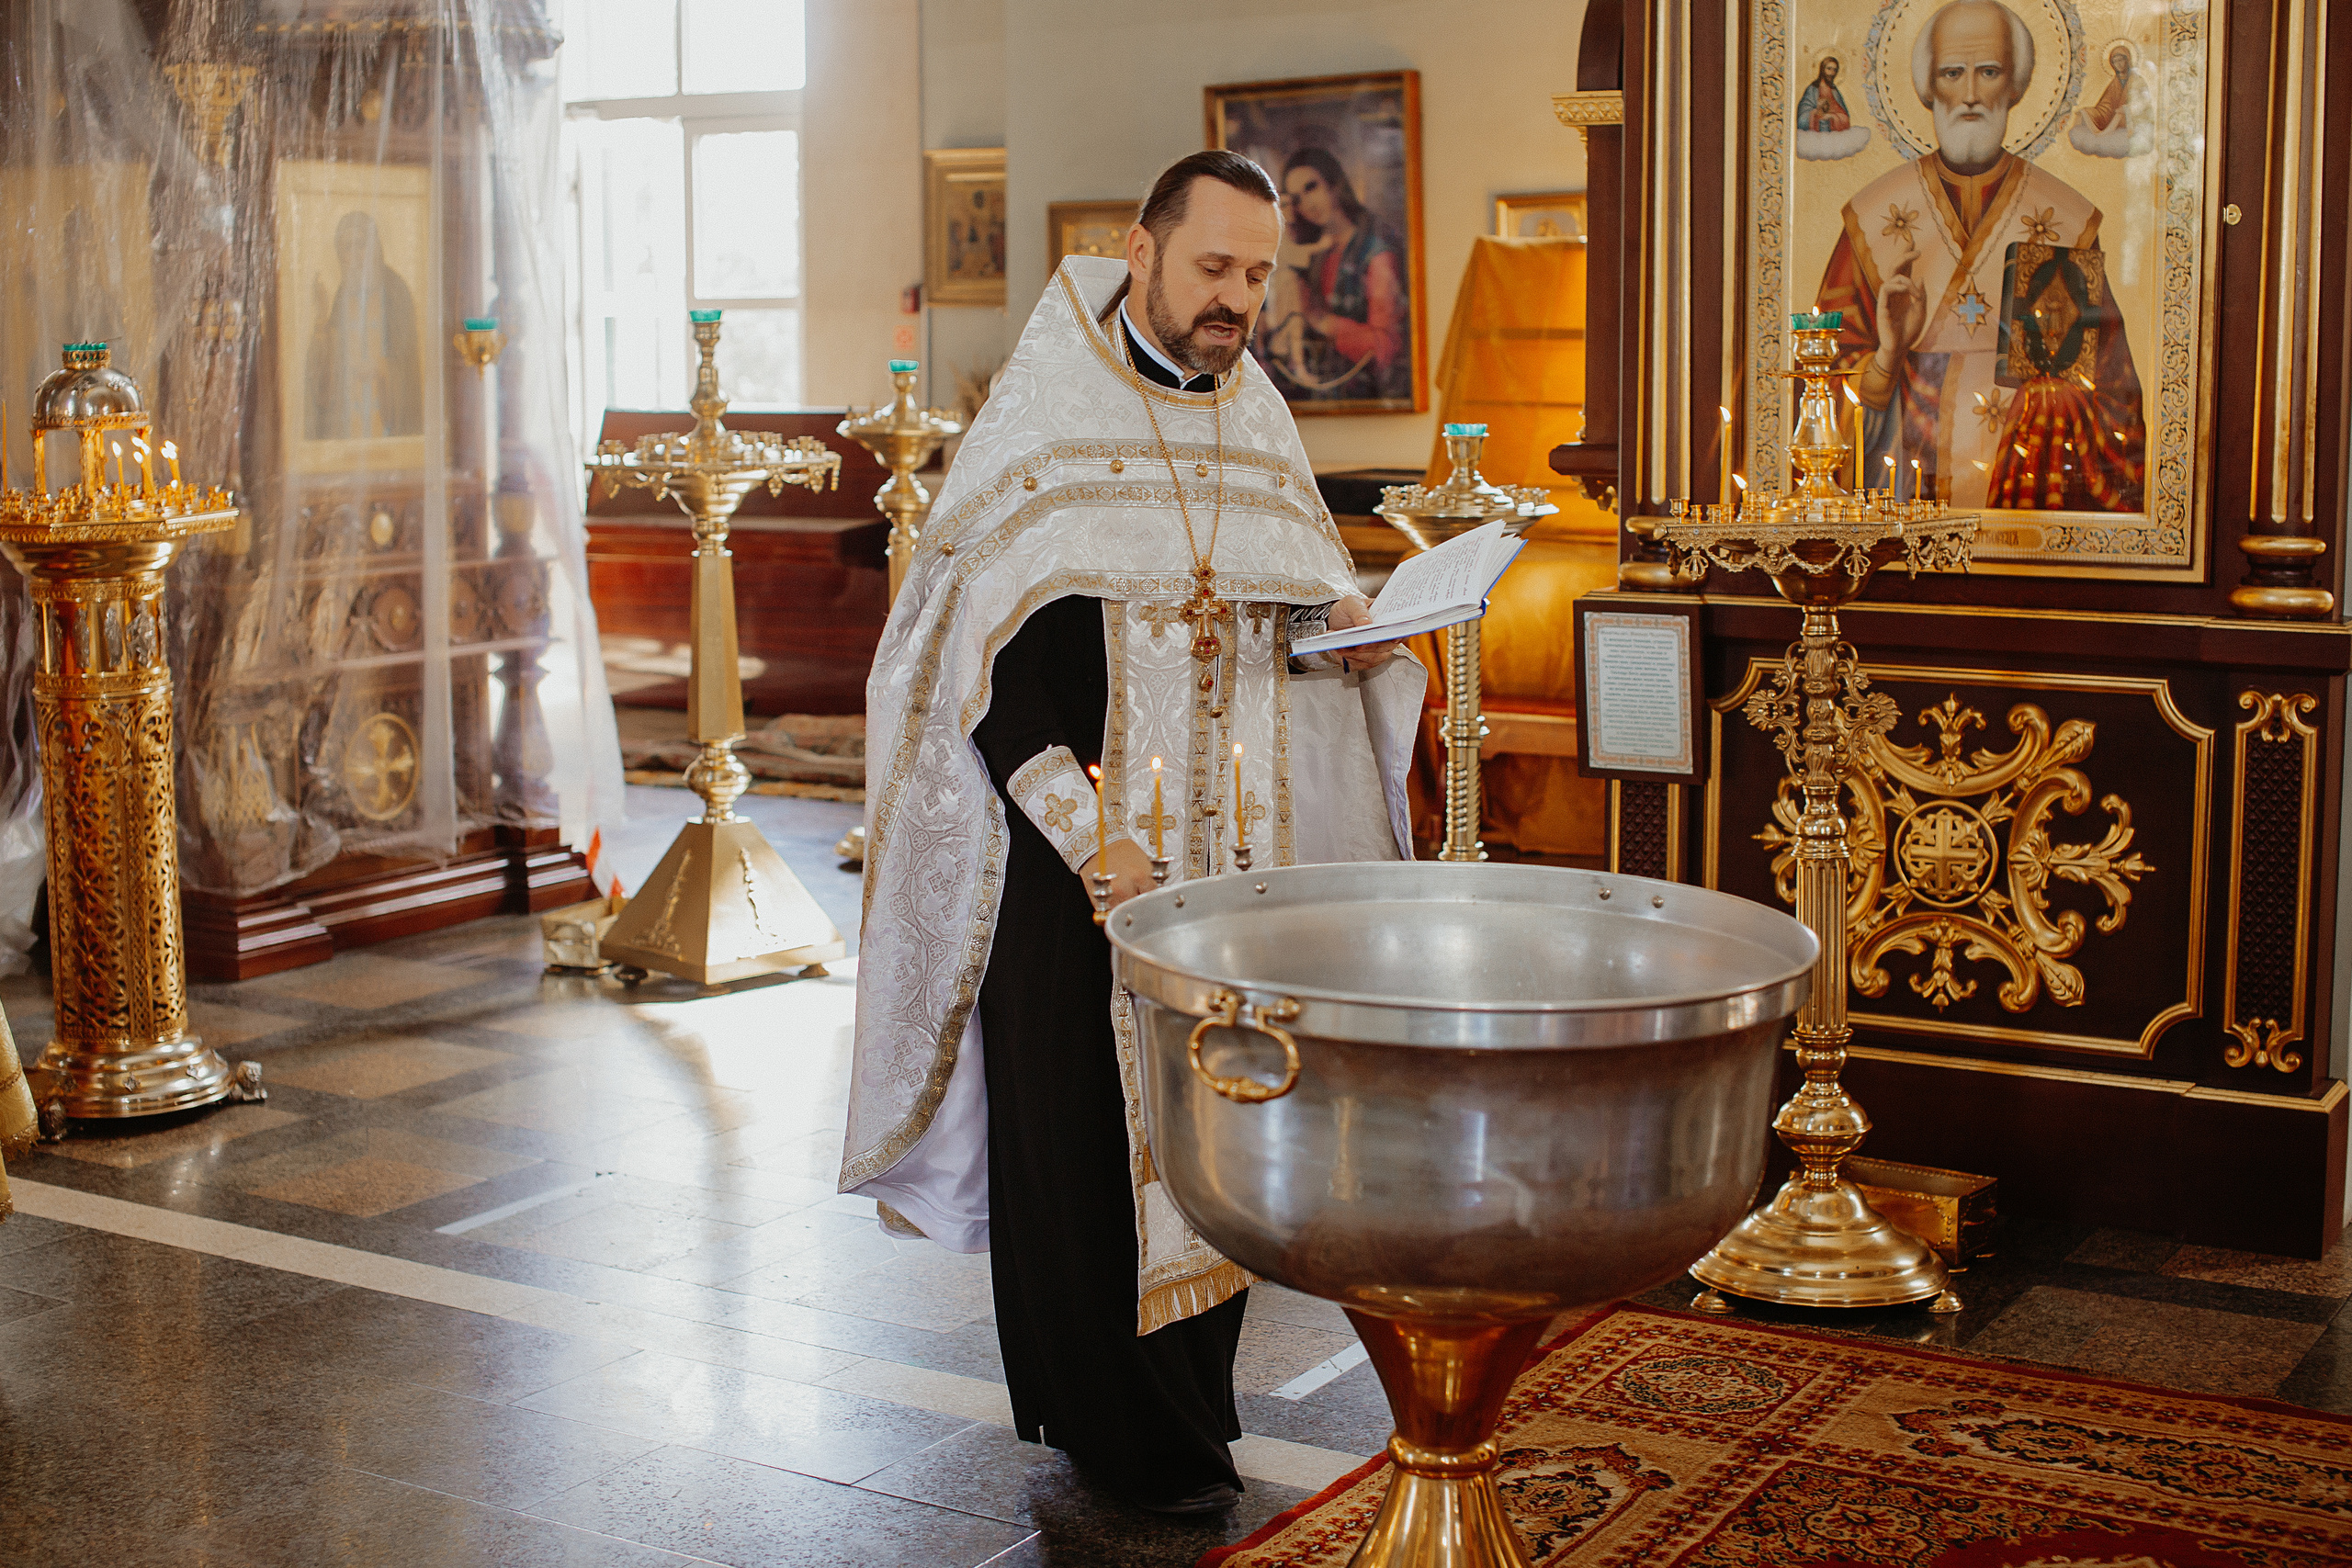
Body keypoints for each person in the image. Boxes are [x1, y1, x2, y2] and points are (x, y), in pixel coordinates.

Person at [840, 150, 1419, 1515]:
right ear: (1141, 253)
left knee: (1220, 1146)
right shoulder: (1044, 422)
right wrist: (1089, 836)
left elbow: (1297, 627)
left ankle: (1191, 1417)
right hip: (1079, 875)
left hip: (1231, 878)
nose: (1238, 299)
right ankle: (1119, 1431)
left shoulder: (1257, 419)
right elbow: (989, 674)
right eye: (1213, 268)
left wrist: (1372, 645)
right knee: (1090, 1158)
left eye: (1260, 274)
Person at [1813, 0, 2146, 512]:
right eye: (1952, 73)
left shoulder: (2067, 218)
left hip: (2030, 511)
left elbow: (2114, 396)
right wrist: (1888, 355)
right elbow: (1818, 388)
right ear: (1928, 87)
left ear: (2015, 85)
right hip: (1903, 502)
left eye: (1988, 72)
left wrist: (2055, 400)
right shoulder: (1872, 217)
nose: (1969, 95)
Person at [1261, 147, 1409, 401]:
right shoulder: (1314, 252)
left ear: (1335, 184)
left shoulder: (1375, 252)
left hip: (1367, 398)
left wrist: (1320, 321)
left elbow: (1385, 348)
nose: (1307, 204)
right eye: (1296, 198)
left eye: (1311, 188)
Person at [305, 210, 422, 441]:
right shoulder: (342, 295)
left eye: (361, 245)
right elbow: (328, 364)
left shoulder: (396, 291)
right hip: (350, 421)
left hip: (387, 421)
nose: (355, 255)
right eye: (347, 248)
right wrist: (321, 317)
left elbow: (408, 365)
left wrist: (381, 369)